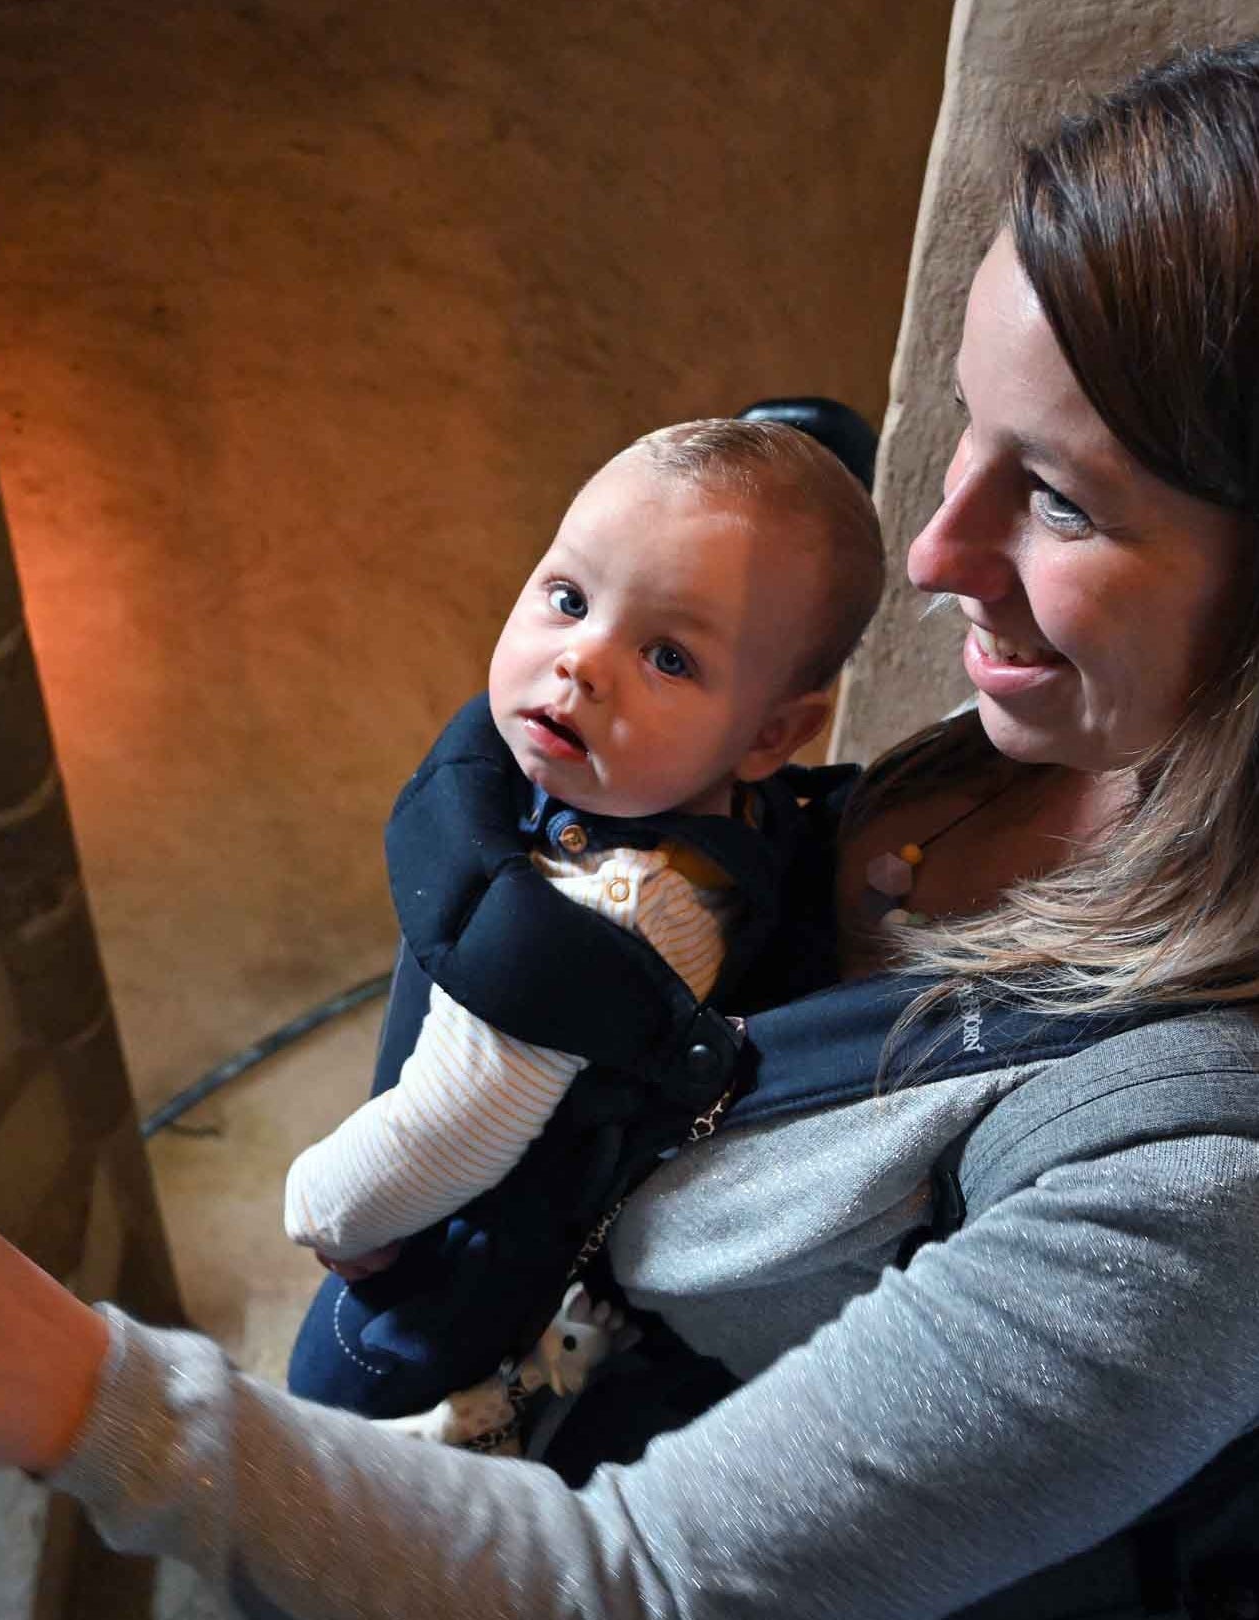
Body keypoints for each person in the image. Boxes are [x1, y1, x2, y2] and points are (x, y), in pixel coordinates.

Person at [0, 27, 1259, 1617]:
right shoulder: (1078, 746)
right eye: (973, 430)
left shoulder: (1237, 1194)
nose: (938, 558)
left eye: (1066, 505)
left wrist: (89, 1396)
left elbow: (632, 1585)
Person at [279, 417, 883, 1442]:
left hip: (451, 1263)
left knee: (334, 1406)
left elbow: (447, 1127)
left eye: (669, 657)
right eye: (567, 598)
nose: (581, 664)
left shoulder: (609, 915)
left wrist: (326, 1209)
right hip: (478, 1154)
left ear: (774, 736)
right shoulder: (666, 792)